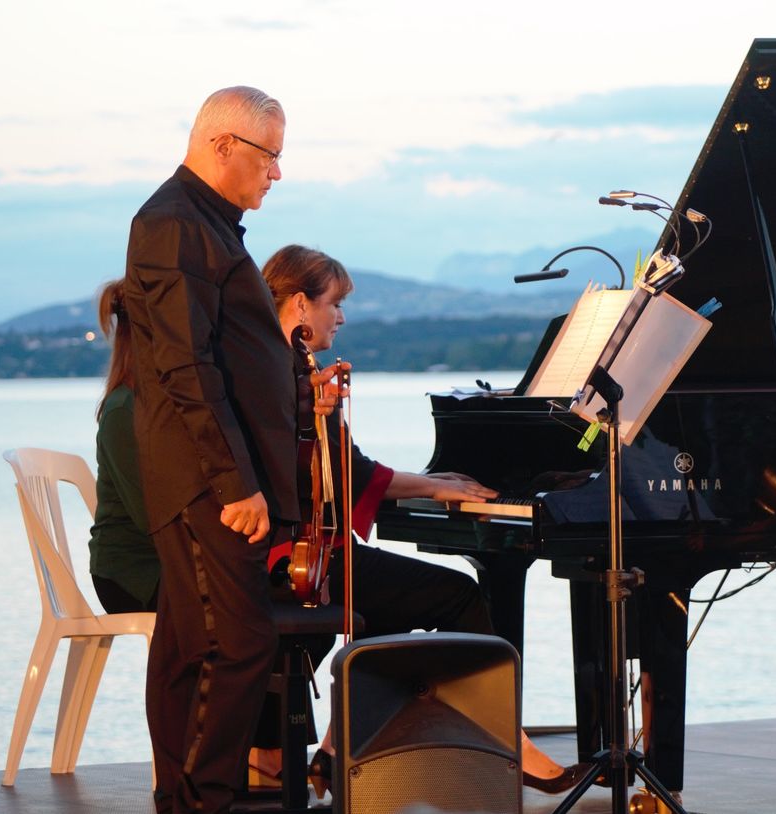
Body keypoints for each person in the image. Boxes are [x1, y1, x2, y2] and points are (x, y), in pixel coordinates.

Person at [257, 243, 584, 796]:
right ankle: (509, 741)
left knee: (386, 611)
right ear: (299, 304)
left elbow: (345, 469)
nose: (340, 316)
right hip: (298, 558)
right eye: (333, 303)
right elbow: (348, 471)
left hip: (299, 549)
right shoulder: (289, 375)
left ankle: (336, 753)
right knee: (460, 598)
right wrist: (435, 484)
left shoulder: (278, 363)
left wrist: (431, 482)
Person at [121, 86, 300, 814]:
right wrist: (234, 483)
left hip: (212, 477)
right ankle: (202, 803)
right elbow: (185, 366)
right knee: (232, 646)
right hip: (205, 482)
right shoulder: (173, 223)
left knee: (188, 650)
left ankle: (186, 800)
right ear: (224, 144)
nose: (277, 174)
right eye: (270, 156)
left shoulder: (210, 226)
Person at [89, 279, 158, 614]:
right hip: (130, 572)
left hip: (161, 559)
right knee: (238, 603)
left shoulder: (156, 404)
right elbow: (150, 516)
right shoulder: (123, 410)